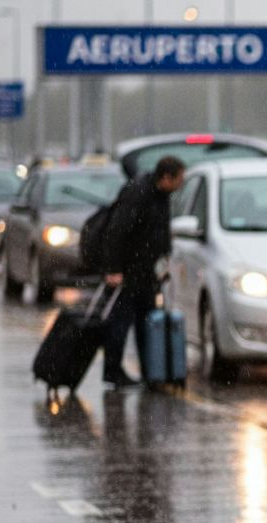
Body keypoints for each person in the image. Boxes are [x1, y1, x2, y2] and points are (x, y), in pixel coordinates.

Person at [100, 156, 185, 387]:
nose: (181, 185)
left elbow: (160, 231)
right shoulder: (138, 194)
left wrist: (164, 262)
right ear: (166, 177)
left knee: (146, 323)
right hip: (127, 273)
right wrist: (114, 269)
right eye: (179, 179)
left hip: (146, 274)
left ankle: (151, 372)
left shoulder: (162, 196)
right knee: (119, 325)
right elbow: (116, 231)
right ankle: (112, 371)